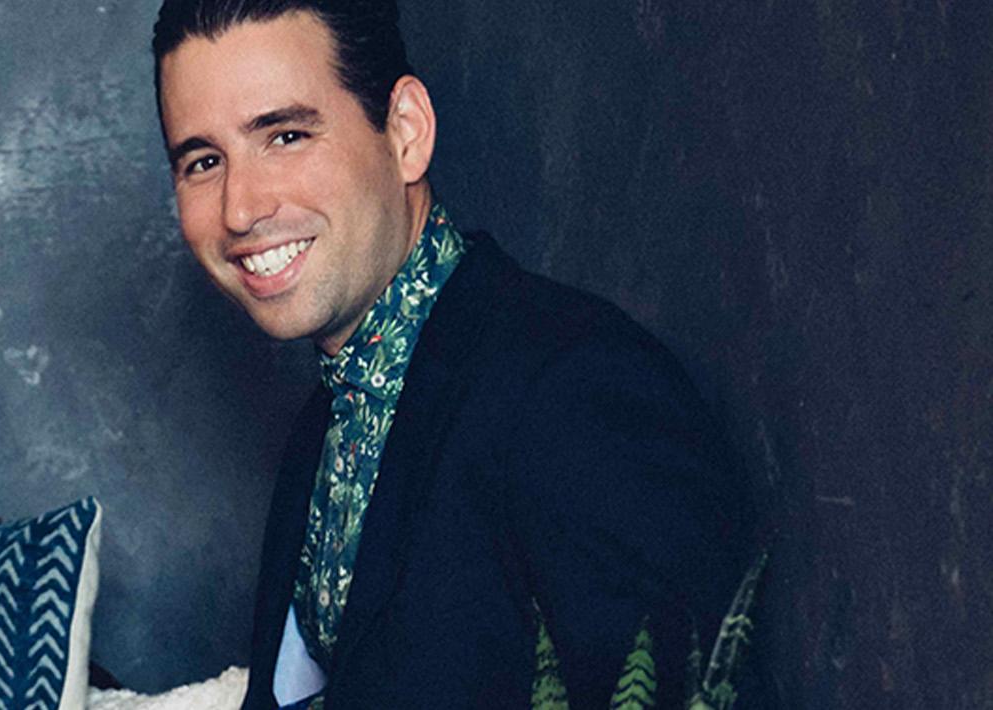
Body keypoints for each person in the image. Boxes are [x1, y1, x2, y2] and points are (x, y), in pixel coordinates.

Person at [149, 1, 756, 707]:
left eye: (285, 135)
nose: (240, 209)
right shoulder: (323, 432)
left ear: (406, 132)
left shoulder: (574, 391)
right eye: (203, 160)